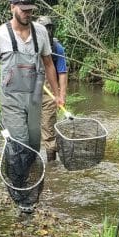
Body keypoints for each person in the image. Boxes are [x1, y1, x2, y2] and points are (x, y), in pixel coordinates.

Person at [0, 0, 64, 218]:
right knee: (21, 141)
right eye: (23, 10)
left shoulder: (40, 33)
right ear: (12, 8)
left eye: (30, 11)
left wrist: (57, 94)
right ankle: (18, 189)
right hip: (11, 99)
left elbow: (48, 64)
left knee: (35, 144)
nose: (27, 14)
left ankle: (21, 175)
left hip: (35, 97)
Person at [37, 16, 68, 162]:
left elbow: (62, 73)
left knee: (49, 128)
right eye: (45, 28)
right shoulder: (29, 44)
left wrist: (61, 95)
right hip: (29, 89)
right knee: (30, 130)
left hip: (49, 89)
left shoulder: (57, 48)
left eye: (49, 28)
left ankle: (51, 165)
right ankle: (31, 163)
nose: (47, 31)